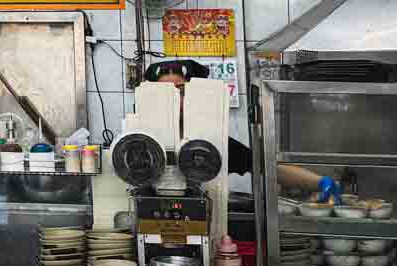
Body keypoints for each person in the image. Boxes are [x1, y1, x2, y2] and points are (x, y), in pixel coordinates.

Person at [143, 59, 339, 199]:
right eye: (163, 92)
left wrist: (320, 182)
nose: (174, 98)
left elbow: (263, 166)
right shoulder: (139, 139)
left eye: (181, 91)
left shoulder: (210, 141)